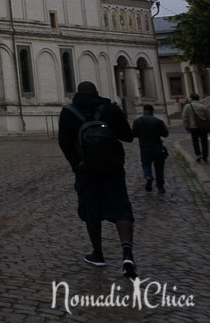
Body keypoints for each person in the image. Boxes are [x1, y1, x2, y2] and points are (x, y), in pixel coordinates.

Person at [58, 81, 137, 278]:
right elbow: (128, 136)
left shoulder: (69, 112)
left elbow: (64, 143)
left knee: (90, 208)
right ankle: (127, 253)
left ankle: (98, 253)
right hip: (113, 167)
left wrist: (76, 164)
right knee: (121, 208)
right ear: (96, 92)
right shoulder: (111, 109)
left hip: (86, 169)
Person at [131, 104, 168, 193]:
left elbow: (134, 134)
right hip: (157, 146)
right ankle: (160, 186)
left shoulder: (137, 121)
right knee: (159, 167)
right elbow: (165, 134)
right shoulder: (158, 121)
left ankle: (148, 176)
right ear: (152, 111)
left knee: (146, 164)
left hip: (144, 147)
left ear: (143, 111)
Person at [181, 94, 210, 163]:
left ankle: (198, 155)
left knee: (195, 141)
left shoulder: (187, 106)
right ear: (198, 99)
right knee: (204, 142)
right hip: (203, 127)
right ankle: (205, 156)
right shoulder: (203, 106)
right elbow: (208, 117)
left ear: (191, 99)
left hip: (193, 127)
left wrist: (186, 126)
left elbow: (184, 118)